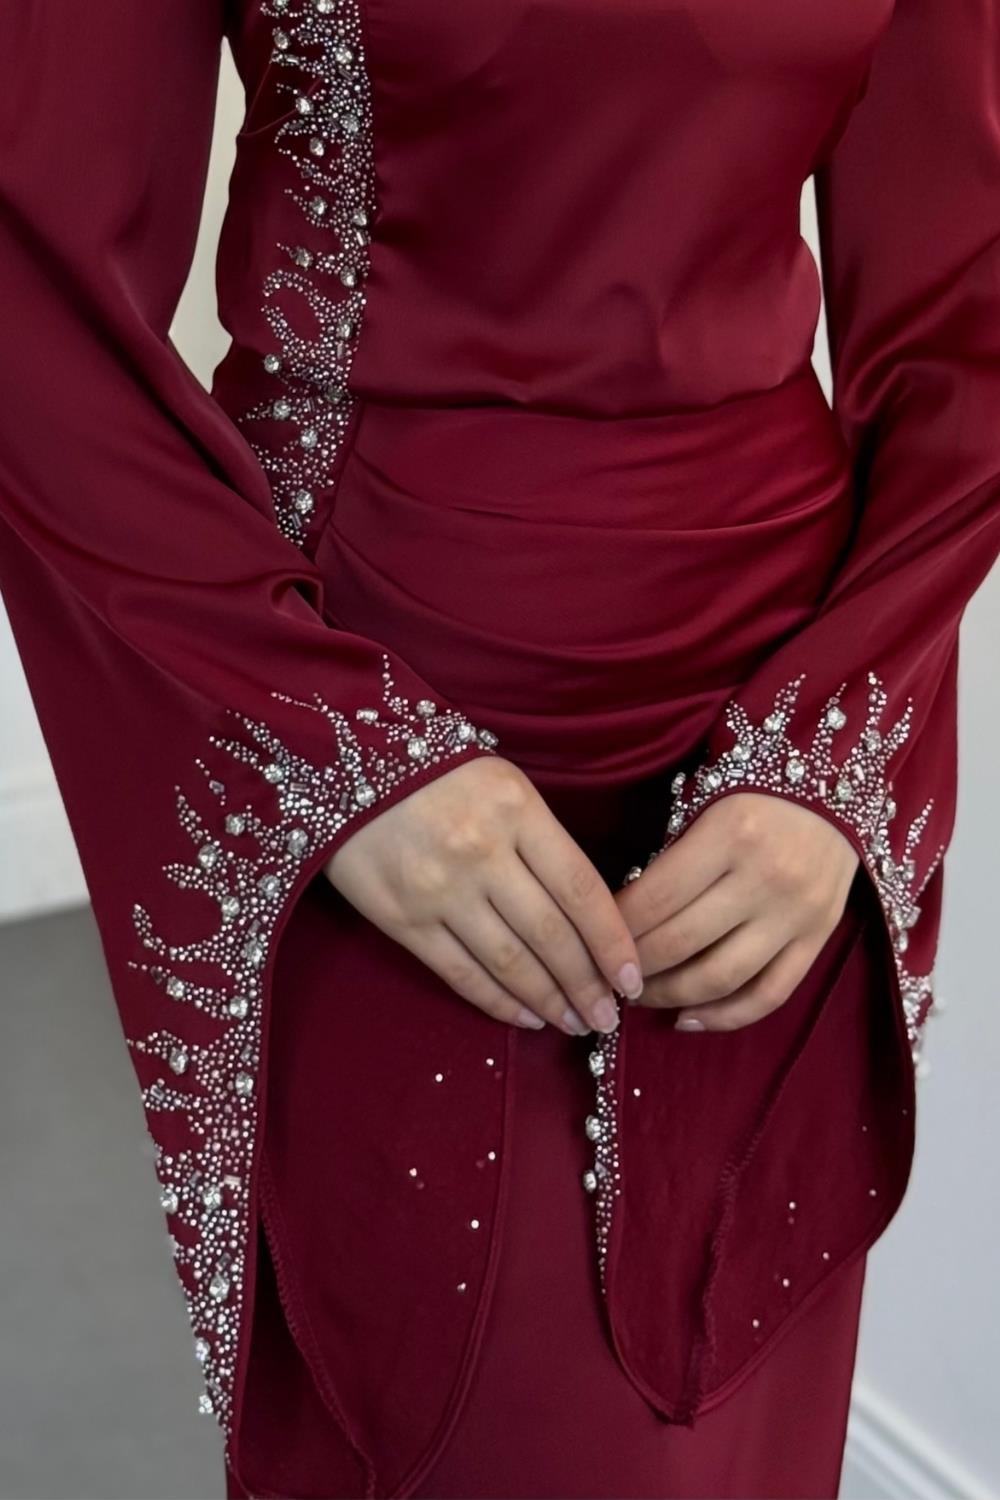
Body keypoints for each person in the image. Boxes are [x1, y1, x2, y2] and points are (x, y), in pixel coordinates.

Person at [1, 2, 997, 1496]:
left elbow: (970, 314)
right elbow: (29, 283)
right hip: (370, 698)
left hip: (767, 767)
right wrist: (328, 744)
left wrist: (835, 738)